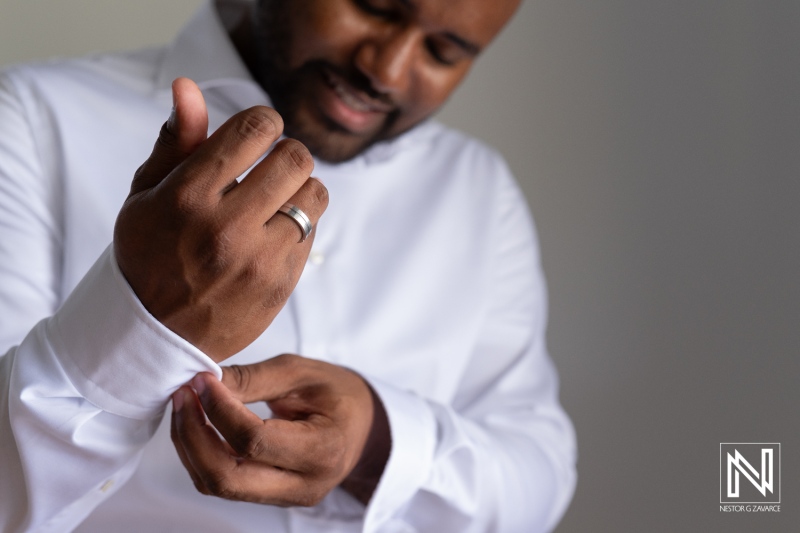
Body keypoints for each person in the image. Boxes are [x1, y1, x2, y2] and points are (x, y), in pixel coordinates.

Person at [0, 0, 577, 531]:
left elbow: (539, 473)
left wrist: (380, 443)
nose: (388, 71)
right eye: (374, 8)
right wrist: (141, 323)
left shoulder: (478, 186)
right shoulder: (28, 120)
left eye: (443, 52)